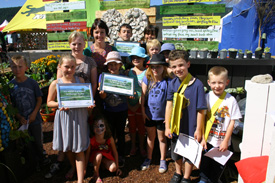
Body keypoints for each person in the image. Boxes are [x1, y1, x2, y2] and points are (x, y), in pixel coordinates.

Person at [45, 31, 97, 179]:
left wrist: (89, 103)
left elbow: (90, 88)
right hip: (66, 115)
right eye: (74, 43)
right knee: (68, 146)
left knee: (79, 147)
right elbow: (51, 100)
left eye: (80, 43)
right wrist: (60, 104)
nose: (69, 70)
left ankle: (80, 178)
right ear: (60, 67)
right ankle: (73, 168)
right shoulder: (56, 83)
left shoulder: (81, 80)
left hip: (80, 113)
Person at [165, 50, 207, 183]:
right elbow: (169, 106)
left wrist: (199, 129)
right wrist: (167, 126)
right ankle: (178, 172)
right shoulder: (172, 84)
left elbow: (201, 110)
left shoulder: (198, 85)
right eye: (174, 66)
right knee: (176, 151)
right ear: (171, 68)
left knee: (189, 152)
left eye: (181, 65)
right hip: (176, 126)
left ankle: (186, 177)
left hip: (191, 126)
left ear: (188, 64)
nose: (178, 69)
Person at [198, 66, 242, 183]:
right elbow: (201, 119)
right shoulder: (206, 97)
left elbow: (232, 121)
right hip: (207, 140)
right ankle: (203, 179)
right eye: (213, 83)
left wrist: (225, 141)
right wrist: (202, 138)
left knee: (218, 166)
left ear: (227, 82)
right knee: (205, 163)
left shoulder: (231, 100)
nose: (217, 86)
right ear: (208, 83)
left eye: (220, 83)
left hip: (222, 141)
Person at [9, 55, 50, 171]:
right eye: (14, 67)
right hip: (21, 121)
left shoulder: (32, 83)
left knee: (38, 141)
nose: (17, 70)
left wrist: (34, 113)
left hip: (35, 119)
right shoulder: (11, 86)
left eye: (20, 67)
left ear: (26, 67)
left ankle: (43, 160)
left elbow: (39, 99)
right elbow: (11, 106)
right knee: (27, 143)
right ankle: (33, 163)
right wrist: (18, 116)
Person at [140, 54, 170, 173]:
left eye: (158, 67)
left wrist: (168, 118)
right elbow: (142, 98)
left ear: (164, 67)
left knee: (162, 138)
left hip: (162, 117)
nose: (155, 69)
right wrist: (143, 112)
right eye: (152, 67)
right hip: (149, 114)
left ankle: (162, 159)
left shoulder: (168, 81)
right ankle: (149, 158)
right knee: (150, 137)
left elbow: (169, 102)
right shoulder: (147, 79)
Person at [98, 51, 128, 167]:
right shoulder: (103, 76)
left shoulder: (124, 77)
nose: (113, 67)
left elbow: (127, 93)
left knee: (121, 133)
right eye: (110, 64)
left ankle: (121, 155)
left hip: (121, 109)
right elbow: (103, 97)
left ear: (120, 65)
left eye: (115, 64)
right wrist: (102, 94)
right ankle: (109, 154)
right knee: (109, 133)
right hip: (108, 109)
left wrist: (130, 94)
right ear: (107, 66)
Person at [127, 46, 149, 157]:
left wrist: (140, 103)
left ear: (144, 59)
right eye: (134, 57)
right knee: (132, 127)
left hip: (141, 105)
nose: (136, 59)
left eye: (139, 57)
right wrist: (129, 103)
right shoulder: (128, 72)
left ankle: (141, 146)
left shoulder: (147, 72)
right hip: (130, 105)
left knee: (141, 127)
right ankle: (132, 146)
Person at [86, 115, 122, 183]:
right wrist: (84, 168)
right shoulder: (92, 140)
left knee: (113, 168)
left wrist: (117, 167)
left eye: (101, 125)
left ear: (105, 128)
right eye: (96, 126)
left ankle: (102, 164)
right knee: (99, 155)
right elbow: (87, 154)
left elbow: (115, 152)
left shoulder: (109, 138)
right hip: (95, 157)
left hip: (106, 156)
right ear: (93, 128)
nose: (99, 128)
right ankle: (96, 175)